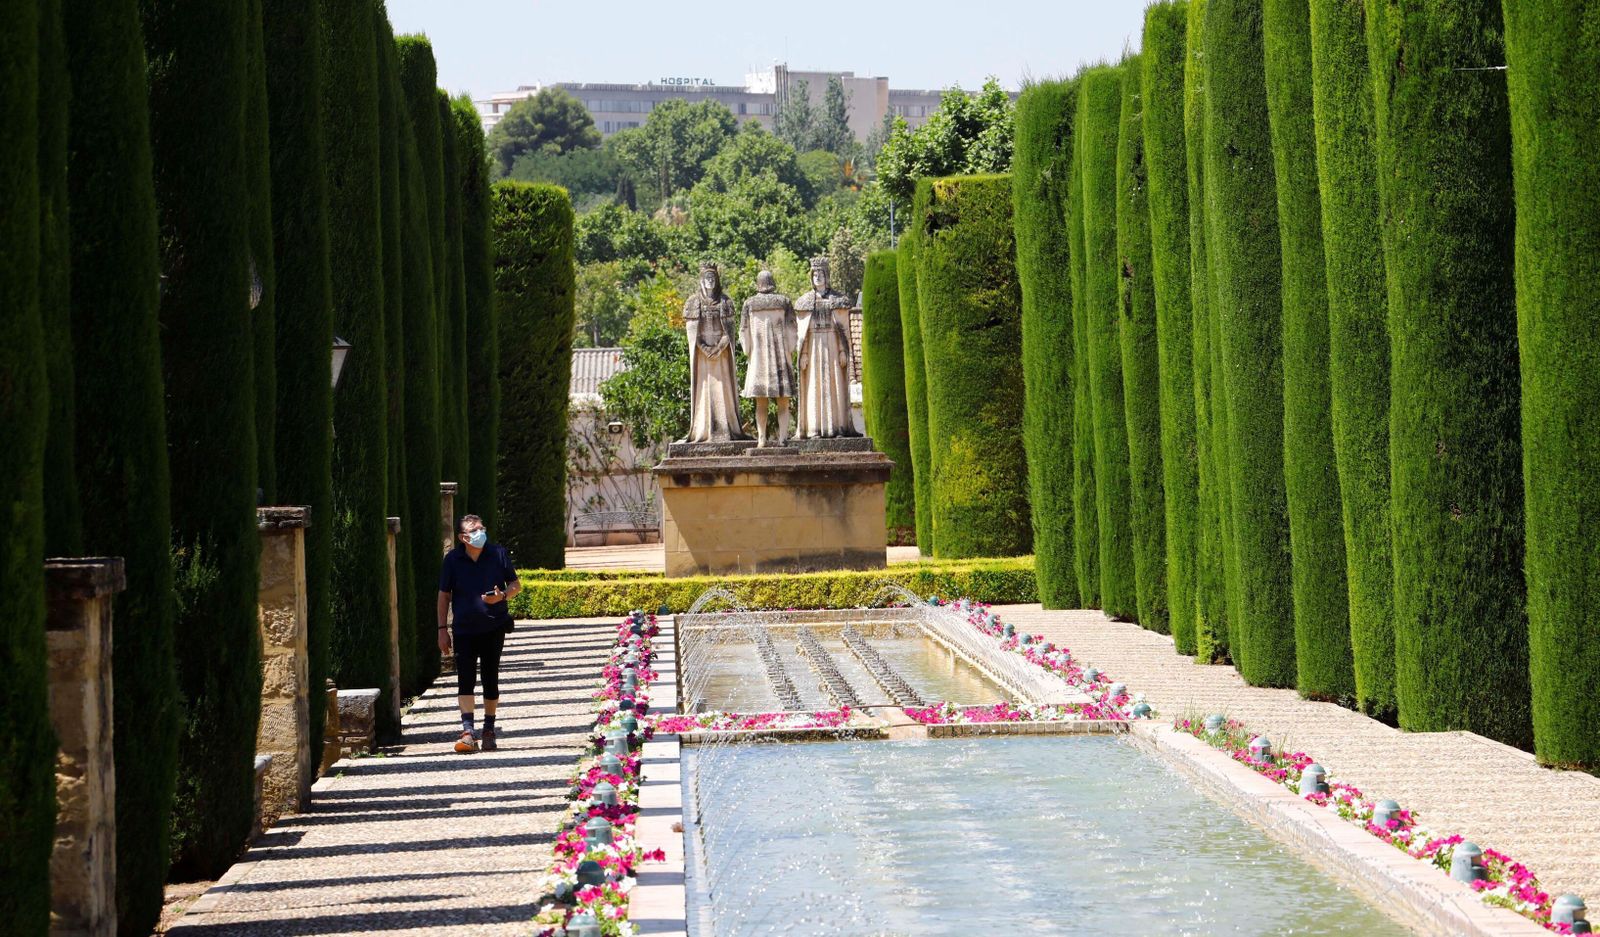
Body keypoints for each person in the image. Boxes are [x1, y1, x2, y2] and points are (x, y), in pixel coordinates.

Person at [437, 514, 521, 753]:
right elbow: (443, 596)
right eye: (474, 530)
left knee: (490, 677)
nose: (480, 533)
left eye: (481, 528)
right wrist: (442, 630)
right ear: (463, 537)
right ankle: (467, 732)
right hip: (463, 629)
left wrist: (502, 596)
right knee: (465, 679)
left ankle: (489, 730)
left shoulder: (497, 554)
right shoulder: (452, 560)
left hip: (494, 626)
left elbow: (516, 585)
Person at [738, 269, 798, 447]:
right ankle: (783, 438)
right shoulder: (784, 301)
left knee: (761, 402)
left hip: (759, 360)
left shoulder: (749, 303)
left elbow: (743, 330)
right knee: (783, 401)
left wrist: (749, 352)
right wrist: (790, 350)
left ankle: (762, 439)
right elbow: (792, 328)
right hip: (780, 358)